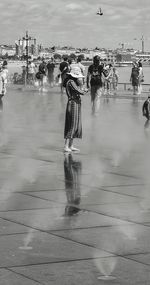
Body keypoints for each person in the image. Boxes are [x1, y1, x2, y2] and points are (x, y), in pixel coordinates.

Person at [63, 67, 88, 152]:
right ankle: (66, 146)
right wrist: (84, 91)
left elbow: (78, 90)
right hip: (73, 104)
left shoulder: (72, 81)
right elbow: (78, 91)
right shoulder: (71, 82)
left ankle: (71, 145)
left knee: (75, 124)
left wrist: (82, 89)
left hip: (76, 104)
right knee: (72, 125)